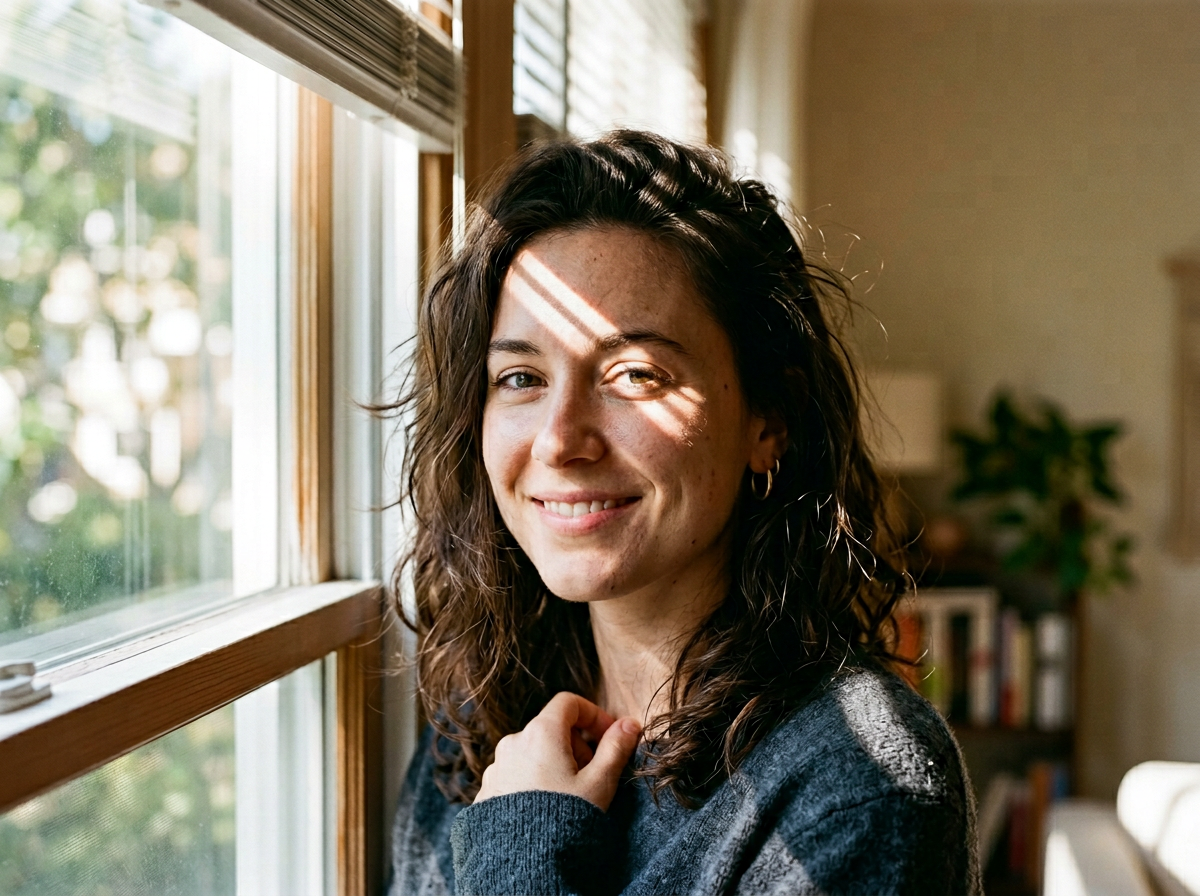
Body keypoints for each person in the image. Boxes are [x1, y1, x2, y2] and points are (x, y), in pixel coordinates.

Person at [386, 130, 980, 895]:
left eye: (635, 374)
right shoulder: (478, 724)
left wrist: (523, 844)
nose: (561, 440)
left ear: (769, 420)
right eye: (521, 377)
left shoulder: (862, 787)